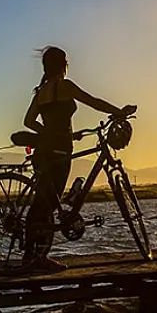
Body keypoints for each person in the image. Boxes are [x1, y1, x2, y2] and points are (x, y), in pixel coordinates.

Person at [21, 46, 136, 270]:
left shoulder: (41, 92)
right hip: (60, 151)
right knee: (44, 205)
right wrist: (119, 112)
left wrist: (50, 133)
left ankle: (32, 256)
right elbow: (93, 101)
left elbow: (29, 121)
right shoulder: (64, 86)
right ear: (63, 65)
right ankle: (36, 258)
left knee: (43, 203)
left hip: (46, 149)